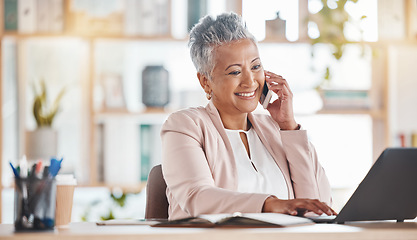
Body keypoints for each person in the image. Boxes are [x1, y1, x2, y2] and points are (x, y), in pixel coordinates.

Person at [161, 12, 336, 220]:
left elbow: (318, 208)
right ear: (205, 81)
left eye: (255, 67)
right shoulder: (185, 126)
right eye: (235, 72)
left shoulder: (278, 129)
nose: (250, 81)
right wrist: (270, 204)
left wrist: (288, 127)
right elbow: (197, 198)